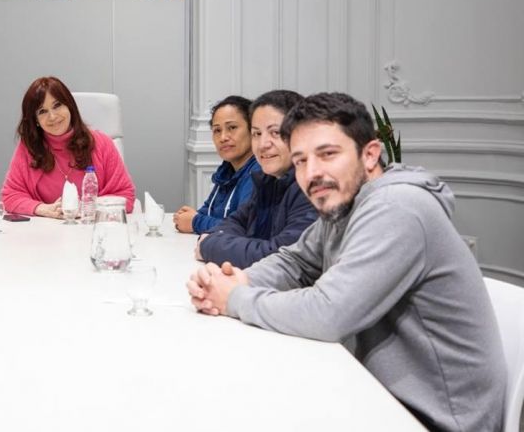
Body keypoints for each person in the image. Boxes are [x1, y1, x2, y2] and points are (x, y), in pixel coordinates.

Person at [187, 92, 505, 432]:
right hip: (375, 392)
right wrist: (235, 280)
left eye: (327, 154)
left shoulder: (397, 208)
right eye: (300, 161)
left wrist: (234, 298)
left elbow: (329, 313)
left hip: (432, 418)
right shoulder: (344, 205)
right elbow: (295, 262)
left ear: (369, 155)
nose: (312, 173)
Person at [196, 90, 317, 267]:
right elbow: (232, 223)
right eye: (257, 134)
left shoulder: (312, 187)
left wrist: (209, 246)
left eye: (275, 132)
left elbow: (279, 257)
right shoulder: (268, 180)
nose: (263, 144)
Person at [1, 76, 135, 218]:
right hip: (45, 233)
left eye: (57, 105)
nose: (52, 116)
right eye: (42, 111)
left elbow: (125, 196)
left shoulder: (101, 143)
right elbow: (10, 196)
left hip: (92, 230)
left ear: (69, 106)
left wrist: (89, 208)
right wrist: (43, 209)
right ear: (36, 121)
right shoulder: (29, 148)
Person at [174, 95, 259, 234]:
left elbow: (243, 228)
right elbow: (207, 210)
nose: (223, 137)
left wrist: (195, 222)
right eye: (217, 130)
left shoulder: (258, 172)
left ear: (252, 130)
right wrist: (189, 218)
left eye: (232, 127)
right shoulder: (227, 170)